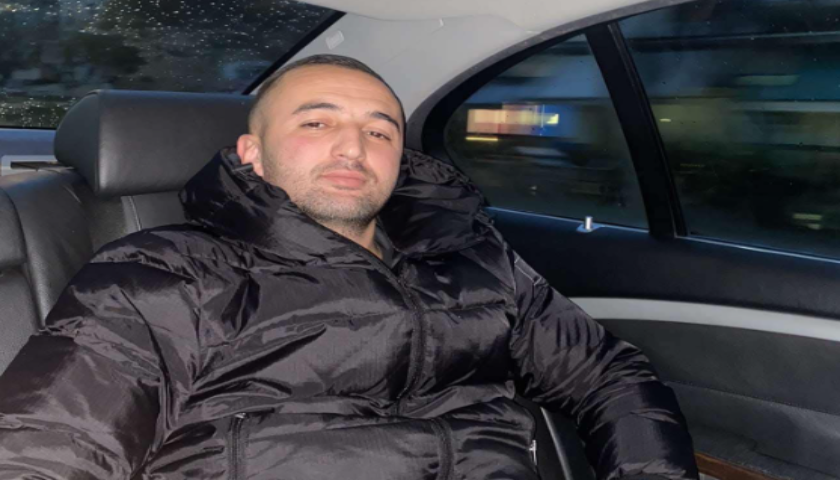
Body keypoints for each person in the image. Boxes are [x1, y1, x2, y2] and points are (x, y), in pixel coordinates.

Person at [0, 54, 698, 480]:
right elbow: (56, 441)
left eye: (378, 130)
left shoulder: (477, 260)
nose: (352, 148)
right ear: (252, 153)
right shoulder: (165, 271)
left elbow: (610, 375)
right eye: (317, 122)